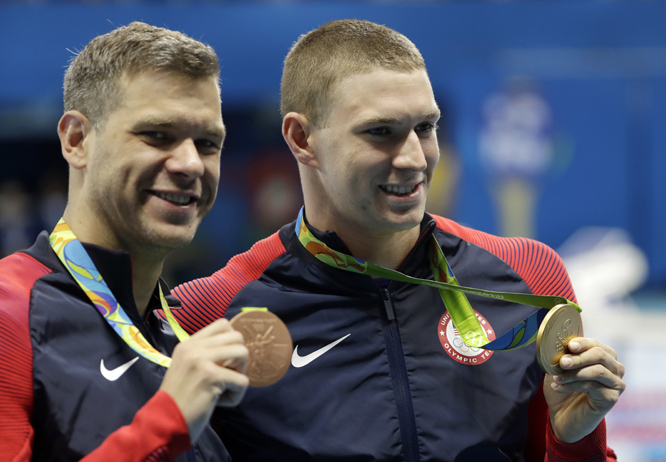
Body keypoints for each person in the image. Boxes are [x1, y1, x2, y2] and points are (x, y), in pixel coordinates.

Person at [171, 19, 625, 461]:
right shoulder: (210, 313)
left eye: (425, 128)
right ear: (302, 138)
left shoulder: (527, 275)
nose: (413, 158)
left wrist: (574, 441)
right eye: (380, 132)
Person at [0, 22, 249, 461]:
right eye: (157, 135)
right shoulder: (10, 314)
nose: (191, 163)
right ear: (77, 140)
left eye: (208, 142)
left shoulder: (183, 332)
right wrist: (166, 422)